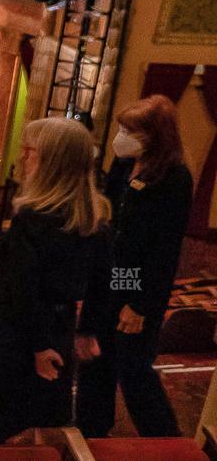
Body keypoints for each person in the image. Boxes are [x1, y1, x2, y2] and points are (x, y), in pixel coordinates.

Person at [0, 117, 112, 444]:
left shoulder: (30, 219)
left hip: (13, 336)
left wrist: (38, 347)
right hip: (59, 330)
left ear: (52, 162)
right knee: (33, 422)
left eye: (30, 151)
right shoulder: (96, 221)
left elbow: (20, 291)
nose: (23, 158)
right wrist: (87, 331)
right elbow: (103, 284)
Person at [76, 95, 193, 438]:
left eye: (130, 131)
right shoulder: (124, 164)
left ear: (156, 136)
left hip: (139, 279)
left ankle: (165, 442)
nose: (121, 137)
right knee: (95, 358)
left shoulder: (175, 178)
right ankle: (91, 434)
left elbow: (165, 250)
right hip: (110, 271)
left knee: (132, 367)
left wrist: (138, 304)